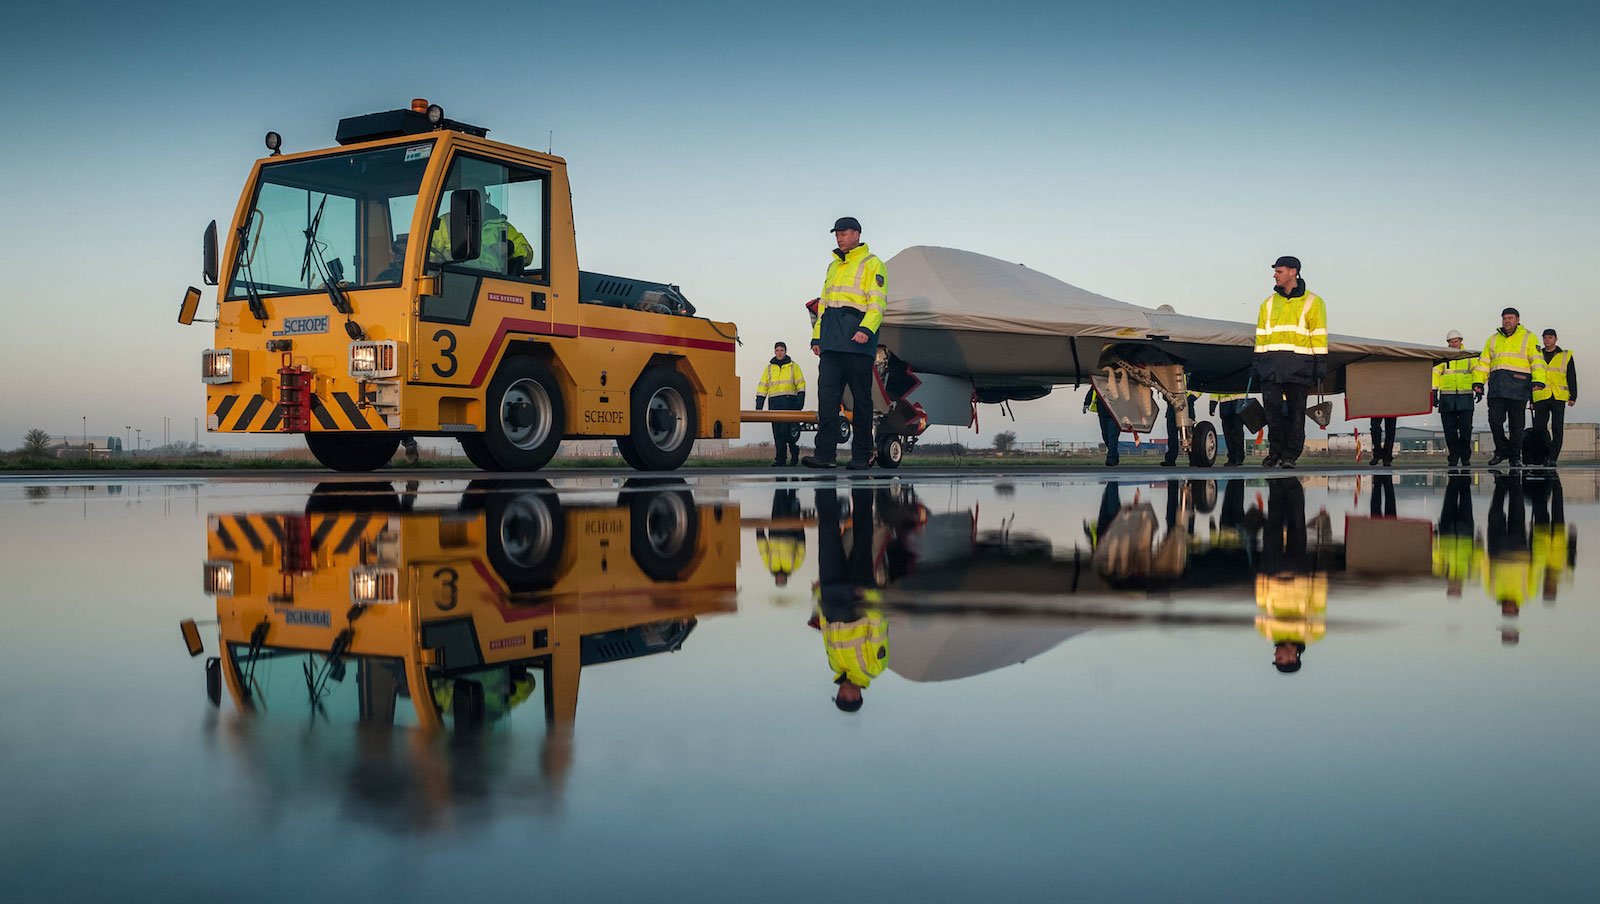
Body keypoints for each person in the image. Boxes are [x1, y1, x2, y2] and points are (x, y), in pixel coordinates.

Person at [802, 217, 888, 471]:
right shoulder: (833, 267)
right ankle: (824, 455)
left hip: (857, 341)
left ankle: (861, 456)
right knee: (826, 400)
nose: (838, 237)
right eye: (836, 233)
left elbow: (877, 304)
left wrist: (865, 329)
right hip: (831, 343)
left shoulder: (873, 264)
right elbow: (824, 307)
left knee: (861, 400)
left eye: (843, 233)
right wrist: (817, 337)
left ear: (857, 234)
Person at [810, 486, 888, 711]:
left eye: (839, 696)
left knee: (827, 535)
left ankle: (824, 486)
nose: (841, 693)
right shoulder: (873, 668)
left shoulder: (835, 666)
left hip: (832, 595)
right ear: (856, 697)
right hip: (857, 599)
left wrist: (818, 596)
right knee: (863, 535)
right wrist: (869, 597)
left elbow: (826, 631)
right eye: (844, 697)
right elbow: (879, 628)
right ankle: (863, 487)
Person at [1253, 256, 1328, 469]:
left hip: (1299, 366)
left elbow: (1319, 335)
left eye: (1279, 271)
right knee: (1272, 413)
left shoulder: (1314, 302)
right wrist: (1257, 363)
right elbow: (1261, 337)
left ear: (1293, 272)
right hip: (1271, 367)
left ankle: (1290, 455)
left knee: (1296, 413)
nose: (1275, 275)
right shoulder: (1267, 304)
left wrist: (1320, 363)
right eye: (1275, 271)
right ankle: (1275, 453)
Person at [1255, 478, 1326, 673]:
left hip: (1272, 572)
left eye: (1276, 659)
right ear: (1293, 657)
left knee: (1272, 527)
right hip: (1300, 574)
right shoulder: (1313, 634)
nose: (1276, 656)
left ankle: (1277, 486)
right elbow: (1318, 604)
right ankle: (1294, 486)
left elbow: (1262, 604)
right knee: (1296, 525)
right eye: (1280, 659)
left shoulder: (1267, 633)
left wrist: (1261, 579)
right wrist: (1319, 575)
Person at [1473, 307, 1541, 467]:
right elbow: (1483, 363)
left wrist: (1538, 380)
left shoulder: (1529, 337)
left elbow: (1537, 360)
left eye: (1510, 318)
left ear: (1518, 320)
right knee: (1495, 421)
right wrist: (1478, 382)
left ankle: (1515, 457)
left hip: (1519, 387)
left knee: (1516, 425)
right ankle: (1503, 449)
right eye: (1504, 318)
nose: (1507, 321)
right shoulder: (1492, 339)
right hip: (1497, 387)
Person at [429, 193, 533, 276]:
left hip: (493, 282)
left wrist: (510, 247)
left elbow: (528, 254)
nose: (473, 201)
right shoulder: (445, 222)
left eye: (476, 196)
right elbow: (427, 254)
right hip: (455, 279)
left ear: (486, 197)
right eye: (468, 197)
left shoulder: (502, 226)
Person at [755, 342, 807, 466]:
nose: (779, 352)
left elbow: (801, 383)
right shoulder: (769, 368)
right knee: (777, 433)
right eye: (777, 350)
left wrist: (800, 401)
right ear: (774, 352)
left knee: (786, 432)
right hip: (774, 403)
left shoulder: (793, 366)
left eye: (781, 350)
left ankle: (794, 451)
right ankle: (780, 460)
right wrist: (759, 405)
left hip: (789, 402)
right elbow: (763, 386)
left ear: (785, 351)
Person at [1531, 328, 1577, 467]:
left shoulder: (1565, 355)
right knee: (1539, 428)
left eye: (1550, 337)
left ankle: (1552, 458)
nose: (1547, 340)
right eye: (1545, 338)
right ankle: (1547, 453)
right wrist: (1530, 399)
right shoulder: (1537, 355)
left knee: (1557, 428)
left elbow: (1571, 376)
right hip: (1541, 395)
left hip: (1558, 396)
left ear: (1556, 339)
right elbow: (1531, 377)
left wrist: (1573, 396)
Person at [1433, 330, 1478, 467]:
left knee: (1466, 430)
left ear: (1461, 341)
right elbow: (1435, 373)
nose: (1453, 344)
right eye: (1451, 342)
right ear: (1448, 343)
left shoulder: (1469, 356)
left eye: (1456, 341)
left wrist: (1478, 387)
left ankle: (1465, 457)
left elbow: (1477, 372)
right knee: (1449, 431)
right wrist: (1434, 391)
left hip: (1465, 396)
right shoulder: (1443, 357)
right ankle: (1453, 456)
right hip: (1447, 397)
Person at [1433, 474, 1477, 598]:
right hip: (1466, 534)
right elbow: (1476, 559)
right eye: (1455, 589)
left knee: (1449, 500)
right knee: (1466, 500)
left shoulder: (1441, 572)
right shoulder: (1469, 574)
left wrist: (1435, 538)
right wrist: (1479, 543)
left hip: (1447, 533)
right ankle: (1465, 477)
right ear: (1461, 588)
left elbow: (1436, 556)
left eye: (1451, 588)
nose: (1454, 585)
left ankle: (1454, 478)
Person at [757, 486, 807, 587]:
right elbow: (801, 550)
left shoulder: (770, 566)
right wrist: (800, 532)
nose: (780, 578)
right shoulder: (794, 566)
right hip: (789, 534)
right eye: (782, 580)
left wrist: (760, 533)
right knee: (788, 507)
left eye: (778, 580)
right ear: (786, 579)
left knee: (777, 504)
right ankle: (793, 482)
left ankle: (781, 479)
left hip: (774, 533)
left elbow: (763, 550)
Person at [1083, 386, 1122, 466]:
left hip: (1115, 415)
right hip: (1102, 414)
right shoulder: (1098, 382)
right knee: (1105, 436)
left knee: (1112, 436)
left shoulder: (1118, 383)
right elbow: (1091, 393)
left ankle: (1111, 460)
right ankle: (1115, 456)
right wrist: (1086, 404)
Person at [1161, 389, 1199, 467]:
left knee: (1189, 437)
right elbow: (1164, 395)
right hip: (1172, 412)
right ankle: (1170, 460)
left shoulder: (1189, 378)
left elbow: (1197, 390)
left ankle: (1193, 460)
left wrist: (1189, 399)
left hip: (1187, 410)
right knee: (1172, 437)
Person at [1209, 393, 1248, 466]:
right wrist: (1212, 404)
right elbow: (1215, 389)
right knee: (1229, 433)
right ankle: (1233, 458)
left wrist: (1212, 404)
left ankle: (1238, 457)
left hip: (1236, 402)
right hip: (1228, 403)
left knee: (1236, 432)